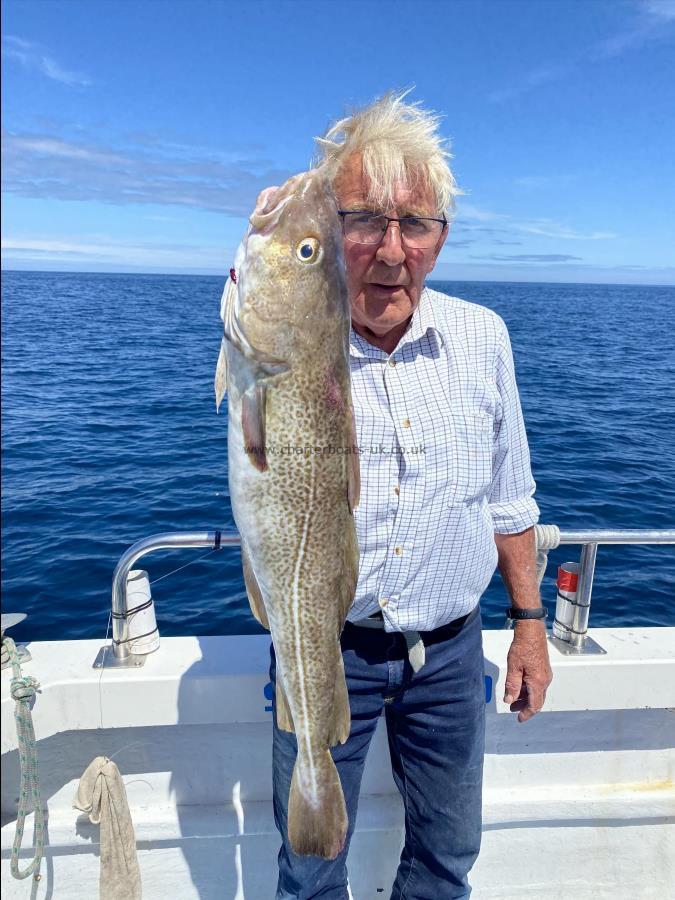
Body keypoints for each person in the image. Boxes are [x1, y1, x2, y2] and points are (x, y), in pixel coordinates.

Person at [270, 92, 553, 900]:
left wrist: (528, 626)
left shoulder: (483, 336)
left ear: (440, 239)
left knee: (445, 858)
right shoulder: (290, 336)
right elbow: (264, 277)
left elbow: (509, 496)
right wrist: (287, 221)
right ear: (331, 227)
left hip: (452, 655)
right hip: (328, 650)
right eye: (363, 220)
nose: (390, 250)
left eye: (415, 225)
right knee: (309, 865)